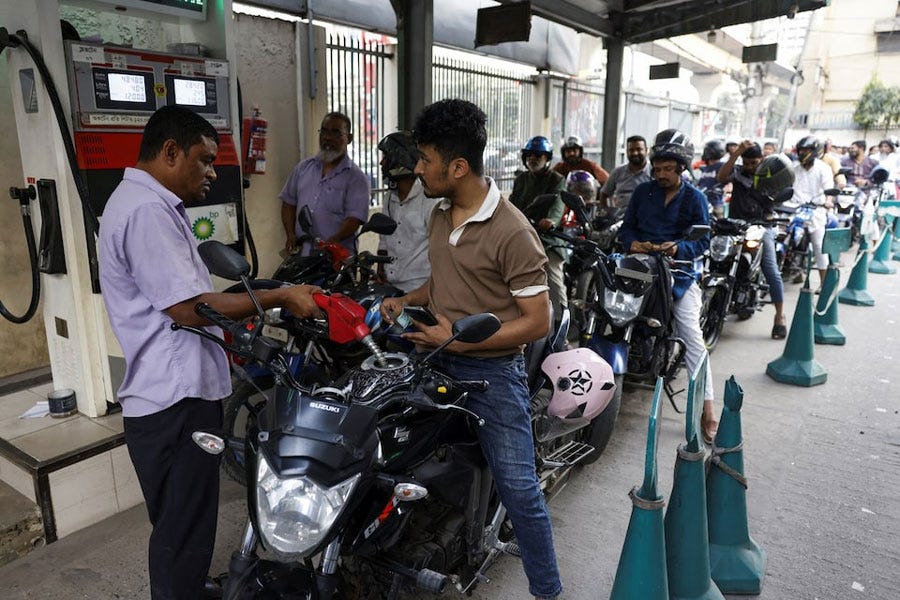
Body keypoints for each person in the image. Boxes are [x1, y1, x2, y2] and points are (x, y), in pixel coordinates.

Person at [98, 106, 320, 599]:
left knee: (183, 524)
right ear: (170, 152)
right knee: (182, 535)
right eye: (204, 160)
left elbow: (184, 297)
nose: (212, 172)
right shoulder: (146, 212)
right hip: (175, 401)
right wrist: (280, 296)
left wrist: (259, 292)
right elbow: (190, 308)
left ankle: (190, 589)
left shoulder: (142, 203)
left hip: (165, 395)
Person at [380, 98, 562, 600]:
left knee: (522, 490)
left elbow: (536, 321)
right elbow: (445, 283)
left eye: (425, 160)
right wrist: (405, 301)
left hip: (491, 374)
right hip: (435, 358)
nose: (417, 168)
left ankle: (548, 591)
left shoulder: (514, 232)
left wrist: (455, 335)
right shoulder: (441, 213)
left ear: (458, 167)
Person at [618, 128, 717, 443]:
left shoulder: (695, 198)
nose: (659, 174)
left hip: (679, 274)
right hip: (640, 268)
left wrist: (677, 249)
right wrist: (633, 243)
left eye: (666, 169)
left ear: (682, 169)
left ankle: (709, 408)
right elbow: (627, 228)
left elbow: (703, 240)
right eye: (656, 169)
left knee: (691, 337)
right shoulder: (641, 193)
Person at [717, 140, 787, 338]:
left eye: (753, 162)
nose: (749, 166)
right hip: (735, 225)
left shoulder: (770, 176)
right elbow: (721, 177)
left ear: (761, 160)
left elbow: (782, 193)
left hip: (761, 227)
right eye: (746, 162)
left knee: (772, 271)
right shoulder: (738, 172)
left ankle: (779, 317)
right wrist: (737, 152)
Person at [280, 112, 371, 255]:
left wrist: (334, 240)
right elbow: (288, 203)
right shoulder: (302, 169)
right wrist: (290, 234)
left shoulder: (356, 178)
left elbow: (354, 219)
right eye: (324, 131)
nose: (328, 138)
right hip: (302, 257)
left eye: (336, 133)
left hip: (337, 260)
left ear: (349, 138)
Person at [510, 135, 567, 321]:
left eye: (538, 155)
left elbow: (559, 203)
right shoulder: (521, 180)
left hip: (547, 238)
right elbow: (511, 206)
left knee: (553, 277)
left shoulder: (556, 179)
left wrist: (551, 220)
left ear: (547, 158)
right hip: (522, 235)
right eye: (530, 155)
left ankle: (561, 326)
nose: (533, 159)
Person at [376, 130, 440, 293]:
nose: (381, 163)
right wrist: (380, 271)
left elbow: (440, 251)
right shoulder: (389, 197)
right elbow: (384, 240)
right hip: (391, 287)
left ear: (400, 160)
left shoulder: (430, 200)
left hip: (419, 290)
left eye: (386, 157)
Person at [793, 135, 835, 291]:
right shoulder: (794, 168)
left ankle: (823, 283)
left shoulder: (823, 168)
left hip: (816, 210)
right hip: (795, 210)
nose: (803, 153)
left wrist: (828, 201)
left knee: (818, 246)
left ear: (815, 151)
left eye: (807, 150)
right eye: (801, 150)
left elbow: (828, 190)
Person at [599, 135, 651, 210]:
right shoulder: (617, 172)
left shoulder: (654, 171)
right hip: (621, 218)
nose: (635, 153)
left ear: (646, 150)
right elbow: (604, 193)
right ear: (627, 152)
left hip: (646, 218)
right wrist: (604, 212)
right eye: (631, 150)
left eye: (639, 149)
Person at [696, 138, 727, 216]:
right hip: (702, 201)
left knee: (719, 221)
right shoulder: (705, 168)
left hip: (715, 203)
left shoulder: (721, 166)